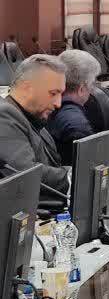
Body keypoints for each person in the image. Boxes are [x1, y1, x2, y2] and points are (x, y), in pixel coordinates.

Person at [0, 55, 71, 210]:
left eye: (61, 94)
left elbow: (52, 164)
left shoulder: (33, 117)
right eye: (53, 93)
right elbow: (27, 174)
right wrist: (73, 178)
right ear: (27, 87)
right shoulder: (3, 115)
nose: (58, 103)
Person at [48, 49, 101, 166]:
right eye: (93, 84)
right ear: (82, 89)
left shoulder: (44, 106)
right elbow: (90, 168)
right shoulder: (78, 125)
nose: (93, 90)